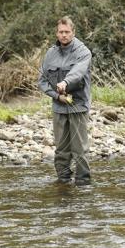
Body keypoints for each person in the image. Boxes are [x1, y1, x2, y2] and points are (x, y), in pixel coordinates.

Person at [38, 16, 92, 185]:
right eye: (61, 32)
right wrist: (56, 95)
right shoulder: (50, 53)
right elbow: (42, 81)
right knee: (61, 150)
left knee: (79, 150)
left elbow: (78, 72)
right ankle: (63, 182)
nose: (64, 35)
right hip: (59, 107)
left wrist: (65, 83)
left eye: (67, 32)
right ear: (57, 33)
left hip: (78, 106)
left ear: (73, 33)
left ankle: (83, 183)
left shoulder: (83, 52)